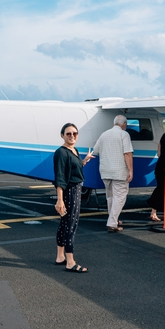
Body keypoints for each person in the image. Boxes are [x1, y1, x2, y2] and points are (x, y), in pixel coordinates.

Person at [85, 115, 133, 232]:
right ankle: (112, 223)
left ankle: (114, 219)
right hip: (119, 171)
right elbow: (127, 153)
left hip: (105, 171)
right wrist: (131, 170)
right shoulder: (124, 134)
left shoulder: (104, 134)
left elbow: (95, 151)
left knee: (110, 196)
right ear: (124, 125)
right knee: (120, 197)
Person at [53, 123, 89, 273]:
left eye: (75, 133)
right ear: (62, 135)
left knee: (64, 224)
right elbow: (60, 177)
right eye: (68, 134)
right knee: (70, 225)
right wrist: (60, 199)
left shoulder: (74, 150)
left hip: (76, 188)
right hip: (70, 192)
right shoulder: (61, 152)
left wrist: (83, 161)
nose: (72, 136)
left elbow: (72, 169)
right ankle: (70, 261)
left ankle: (60, 256)